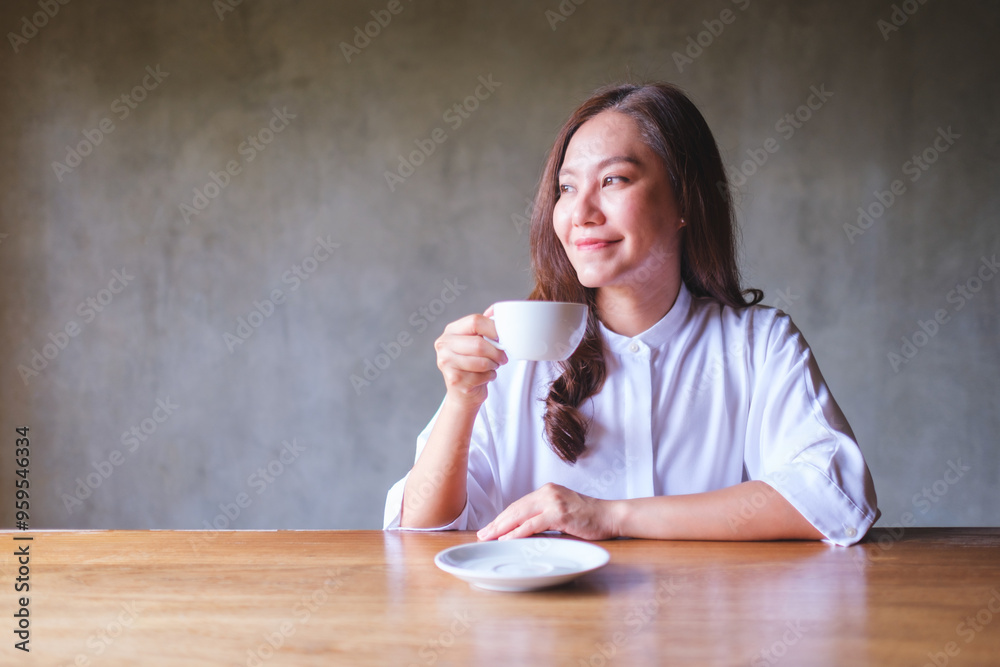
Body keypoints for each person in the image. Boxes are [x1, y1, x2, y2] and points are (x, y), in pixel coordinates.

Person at [383, 82, 879, 545]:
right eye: (568, 188)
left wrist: (609, 515)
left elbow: (833, 496)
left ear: (686, 198)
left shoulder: (757, 343)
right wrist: (460, 401)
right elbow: (419, 534)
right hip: (548, 635)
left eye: (614, 180)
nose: (581, 214)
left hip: (704, 635)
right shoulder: (517, 345)